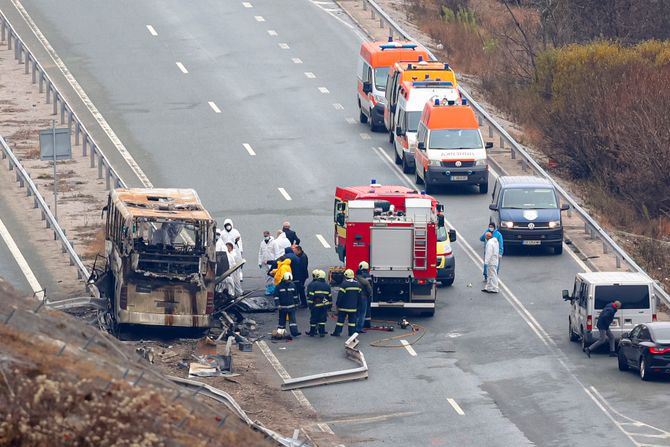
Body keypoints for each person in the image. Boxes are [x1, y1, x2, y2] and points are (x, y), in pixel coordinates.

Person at [331, 269, 362, 337]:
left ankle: (337, 333)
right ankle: (351, 333)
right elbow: (360, 297)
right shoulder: (358, 284)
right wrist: (358, 306)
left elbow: (340, 296)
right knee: (352, 322)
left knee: (340, 321)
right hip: (353, 308)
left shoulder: (344, 284)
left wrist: (337, 305)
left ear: (345, 276)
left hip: (343, 307)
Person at [305, 270, 332, 337]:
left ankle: (312, 332)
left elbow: (311, 296)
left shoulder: (314, 284)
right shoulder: (327, 286)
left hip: (315, 305)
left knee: (314, 319)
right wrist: (329, 306)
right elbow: (329, 297)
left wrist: (310, 305)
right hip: (324, 305)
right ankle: (322, 332)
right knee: (322, 319)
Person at [274, 272, 300, 337]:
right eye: (287, 280)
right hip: (283, 307)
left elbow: (295, 296)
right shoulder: (279, 286)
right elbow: (276, 297)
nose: (288, 281)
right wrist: (278, 305)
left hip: (290, 307)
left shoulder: (292, 285)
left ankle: (294, 332)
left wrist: (297, 303)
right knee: (282, 322)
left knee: (292, 322)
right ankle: (280, 334)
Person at [355, 261, 373, 333]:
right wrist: (369, 295)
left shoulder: (358, 275)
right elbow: (369, 288)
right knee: (363, 312)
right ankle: (360, 327)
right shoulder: (368, 276)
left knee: (357, 312)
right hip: (364, 296)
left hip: (357, 296)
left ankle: (355, 326)